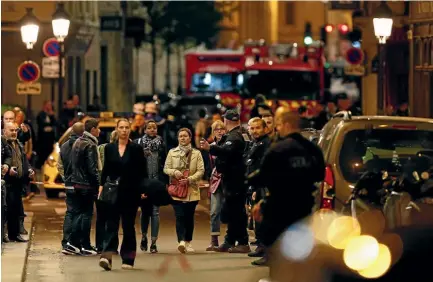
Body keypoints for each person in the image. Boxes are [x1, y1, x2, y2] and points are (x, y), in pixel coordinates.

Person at [250, 107, 325, 268]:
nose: (276, 128)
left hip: (279, 210)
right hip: (304, 208)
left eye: (278, 124)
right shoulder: (312, 149)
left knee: (278, 256)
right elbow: (320, 175)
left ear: (285, 124)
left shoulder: (278, 149)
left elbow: (262, 177)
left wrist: (261, 201)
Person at [98, 119, 147, 271]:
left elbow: (142, 170)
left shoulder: (136, 149)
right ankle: (107, 257)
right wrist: (101, 186)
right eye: (121, 128)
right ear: (117, 130)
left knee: (128, 226)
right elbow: (106, 169)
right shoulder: (110, 148)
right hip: (113, 192)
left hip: (131, 192)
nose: (124, 130)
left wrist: (144, 189)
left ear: (130, 130)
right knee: (111, 224)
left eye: (127, 128)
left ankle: (128, 259)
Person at [200, 109, 250, 253]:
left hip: (235, 179)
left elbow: (226, 151)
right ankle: (229, 240)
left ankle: (242, 241)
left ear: (226, 121)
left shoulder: (234, 137)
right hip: (233, 178)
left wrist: (211, 148)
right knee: (232, 210)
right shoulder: (238, 134)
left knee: (236, 212)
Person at [164, 128, 204, 254]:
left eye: (185, 136)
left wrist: (190, 179)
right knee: (179, 216)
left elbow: (201, 170)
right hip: (176, 190)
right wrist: (174, 172)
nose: (182, 138)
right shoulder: (171, 152)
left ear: (190, 138)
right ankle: (180, 241)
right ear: (178, 138)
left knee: (189, 217)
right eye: (180, 136)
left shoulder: (197, 153)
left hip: (192, 190)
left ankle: (188, 241)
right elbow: (166, 168)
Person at [66, 119, 101, 255]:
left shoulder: (78, 141)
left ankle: (72, 243)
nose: (99, 131)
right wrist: (97, 184)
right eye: (98, 128)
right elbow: (92, 169)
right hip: (87, 185)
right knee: (86, 215)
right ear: (92, 129)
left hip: (77, 184)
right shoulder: (90, 144)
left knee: (78, 214)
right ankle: (84, 245)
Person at [135, 120, 167, 253]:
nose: (153, 129)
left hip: (157, 183)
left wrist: (164, 182)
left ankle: (153, 242)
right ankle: (143, 237)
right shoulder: (139, 144)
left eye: (155, 127)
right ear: (145, 130)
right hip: (144, 183)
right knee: (145, 212)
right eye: (150, 128)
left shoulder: (161, 144)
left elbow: (165, 163)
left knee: (155, 212)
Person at [2, 122, 34, 242]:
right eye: (11, 130)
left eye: (15, 130)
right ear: (4, 131)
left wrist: (29, 170)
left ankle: (14, 234)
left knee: (15, 209)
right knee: (8, 210)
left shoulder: (18, 144)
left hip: (17, 182)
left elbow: (24, 161)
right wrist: (7, 169)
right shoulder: (3, 144)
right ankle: (8, 235)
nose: (14, 132)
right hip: (7, 182)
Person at [245, 117, 271, 264]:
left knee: (264, 219)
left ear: (264, 129)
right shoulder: (256, 143)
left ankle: (267, 253)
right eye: (252, 128)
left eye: (258, 128)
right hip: (256, 186)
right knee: (258, 219)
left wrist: (258, 187)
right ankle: (261, 246)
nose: (255, 131)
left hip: (263, 187)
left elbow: (264, 168)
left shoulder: (266, 144)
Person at [58, 122, 85, 255]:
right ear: (83, 132)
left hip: (68, 183)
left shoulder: (63, 146)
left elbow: (60, 165)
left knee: (70, 212)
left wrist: (65, 178)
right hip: (80, 183)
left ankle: (66, 241)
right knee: (80, 213)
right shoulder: (83, 144)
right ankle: (74, 242)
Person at [96, 130, 118, 253]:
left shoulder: (100, 148)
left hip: (101, 186)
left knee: (101, 218)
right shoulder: (119, 151)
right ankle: (112, 246)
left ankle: (100, 245)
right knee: (113, 218)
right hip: (114, 186)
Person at [206, 120, 226, 251]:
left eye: (222, 129)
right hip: (215, 180)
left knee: (231, 211)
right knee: (214, 211)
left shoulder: (229, 144)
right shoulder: (210, 146)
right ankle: (214, 240)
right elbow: (209, 166)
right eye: (216, 129)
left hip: (228, 179)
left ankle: (232, 239)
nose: (219, 131)